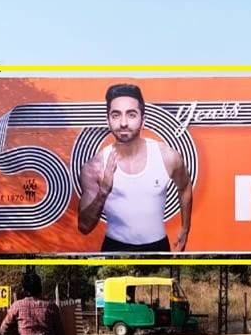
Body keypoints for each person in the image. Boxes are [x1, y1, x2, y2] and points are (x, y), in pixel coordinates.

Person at [77, 83, 194, 254]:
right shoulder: (94, 167)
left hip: (158, 250)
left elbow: (185, 188)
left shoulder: (167, 157)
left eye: (131, 115)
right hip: (114, 251)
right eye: (116, 115)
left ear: (143, 120)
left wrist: (185, 229)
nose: (123, 123)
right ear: (107, 120)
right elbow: (84, 227)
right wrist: (103, 192)